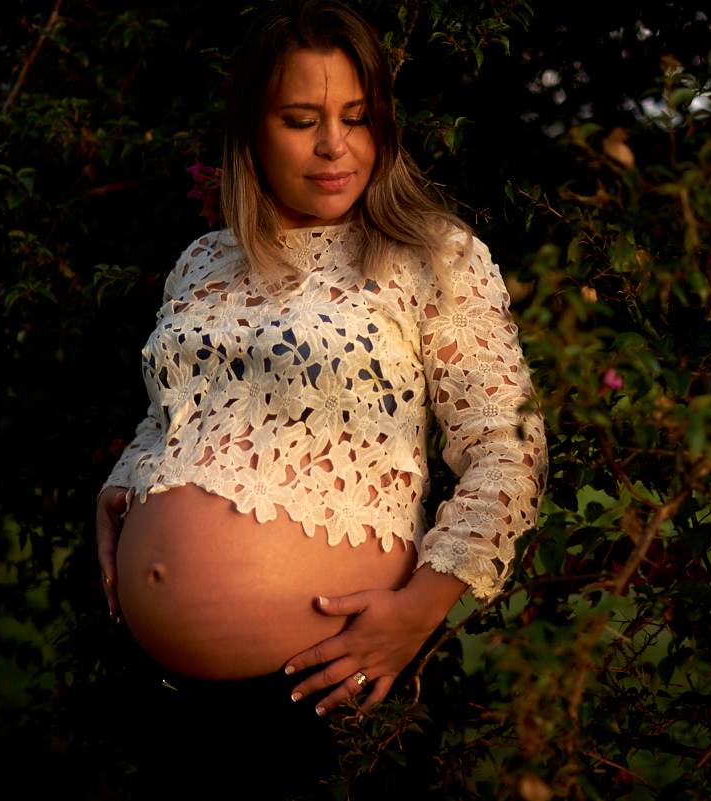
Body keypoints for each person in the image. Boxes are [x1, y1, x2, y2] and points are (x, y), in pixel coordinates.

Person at [94, 1, 546, 796]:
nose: (335, 146)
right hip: (165, 696)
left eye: (356, 117)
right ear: (250, 131)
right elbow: (177, 415)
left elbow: (508, 450)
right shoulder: (202, 261)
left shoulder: (431, 256)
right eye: (302, 119)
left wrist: (422, 608)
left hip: (325, 690)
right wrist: (126, 477)